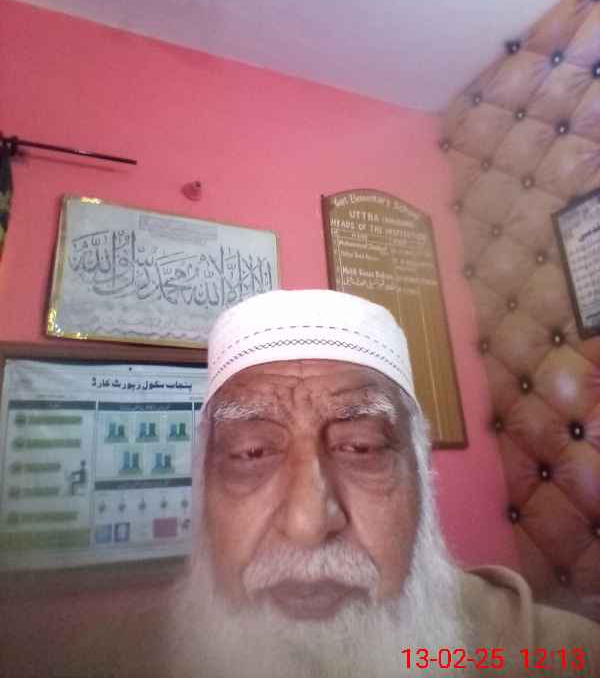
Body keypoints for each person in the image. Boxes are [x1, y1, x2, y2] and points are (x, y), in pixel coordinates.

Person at [64, 290, 599, 678]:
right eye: (250, 453)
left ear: (421, 479)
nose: (307, 523)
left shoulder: (562, 657)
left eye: (361, 448)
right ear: (202, 492)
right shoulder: (108, 662)